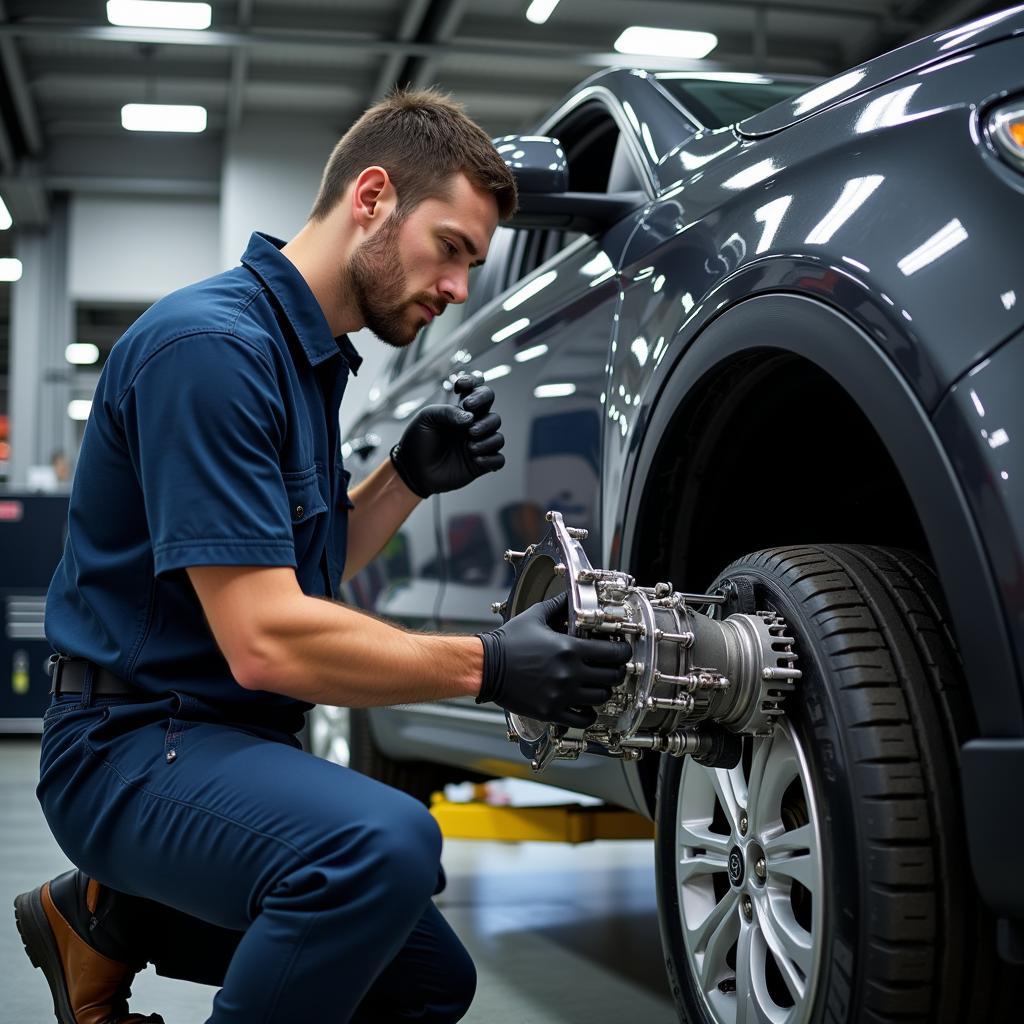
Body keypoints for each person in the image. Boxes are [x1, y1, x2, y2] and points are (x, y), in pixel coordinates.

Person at [13, 89, 631, 1024]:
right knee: (379, 848)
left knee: (430, 982)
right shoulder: (212, 350)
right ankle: (115, 902)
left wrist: (406, 479)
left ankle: (106, 921)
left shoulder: (309, 361)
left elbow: (307, 568)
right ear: (373, 197)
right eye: (452, 249)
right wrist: (492, 665)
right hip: (130, 746)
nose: (461, 287)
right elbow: (267, 641)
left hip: (217, 742)